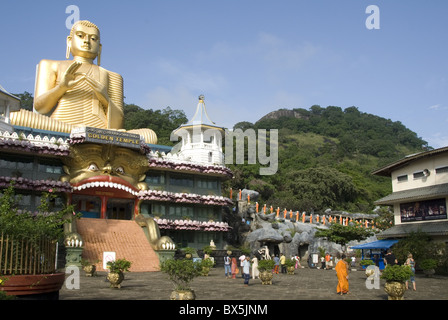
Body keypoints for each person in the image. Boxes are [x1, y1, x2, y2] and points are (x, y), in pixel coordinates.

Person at [10, 20, 157, 144]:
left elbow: (118, 124)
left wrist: (104, 97)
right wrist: (61, 87)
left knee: (150, 135)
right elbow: (40, 108)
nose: (87, 41)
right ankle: (85, 133)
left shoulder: (113, 76)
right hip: (61, 126)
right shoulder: (51, 65)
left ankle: (87, 133)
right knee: (13, 115)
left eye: (93, 38)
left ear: (99, 48)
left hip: (102, 130)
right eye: (81, 36)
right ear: (69, 40)